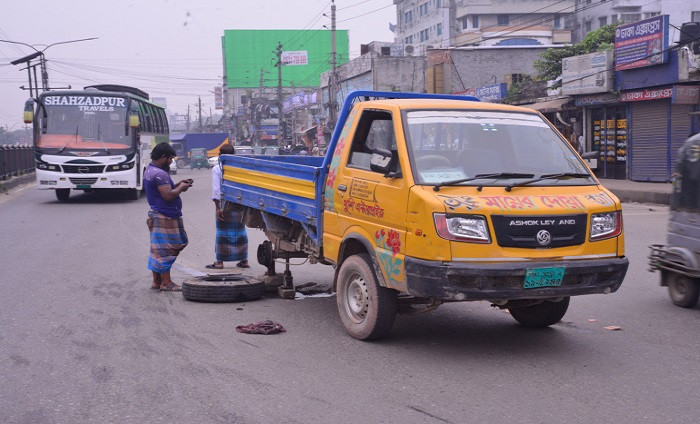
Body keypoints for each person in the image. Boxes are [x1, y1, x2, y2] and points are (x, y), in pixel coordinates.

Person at [144, 142, 192, 291]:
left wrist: (178, 184)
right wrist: (181, 188)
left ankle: (156, 281)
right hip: (165, 216)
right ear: (163, 157)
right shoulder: (160, 174)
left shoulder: (150, 170)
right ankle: (166, 282)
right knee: (167, 249)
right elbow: (168, 195)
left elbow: (164, 190)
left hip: (159, 214)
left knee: (157, 249)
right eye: (170, 159)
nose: (171, 162)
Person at [205, 144, 249, 269]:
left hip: (224, 204)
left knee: (222, 232)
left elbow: (216, 190)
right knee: (240, 231)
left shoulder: (217, 169)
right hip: (239, 203)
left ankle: (220, 261)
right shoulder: (239, 168)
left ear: (220, 154)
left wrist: (218, 207)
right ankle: (244, 260)